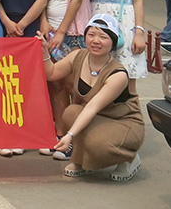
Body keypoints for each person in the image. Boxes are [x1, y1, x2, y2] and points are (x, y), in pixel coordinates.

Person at [38, 14, 144, 182]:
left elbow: (92, 107)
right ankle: (81, 161)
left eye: (103, 37)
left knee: (98, 145)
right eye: (91, 34)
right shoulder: (78, 56)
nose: (96, 41)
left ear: (113, 42)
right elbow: (51, 73)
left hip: (124, 123)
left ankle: (129, 158)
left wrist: (69, 136)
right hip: (97, 119)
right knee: (71, 112)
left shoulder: (118, 74)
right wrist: (44, 50)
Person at [41, 0, 94, 159]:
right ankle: (59, 136)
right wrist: (44, 21)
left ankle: (77, 138)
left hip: (73, 32)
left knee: (75, 86)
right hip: (51, 29)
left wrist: (62, 31)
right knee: (56, 84)